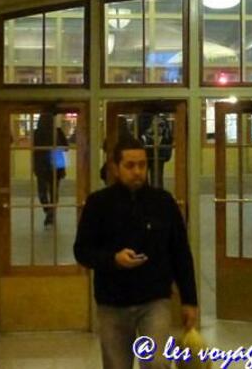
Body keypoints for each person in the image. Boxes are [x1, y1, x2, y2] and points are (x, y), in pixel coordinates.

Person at [74, 137, 198, 369]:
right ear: (115, 168)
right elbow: (82, 251)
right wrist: (113, 259)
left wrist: (189, 300)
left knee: (157, 362)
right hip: (112, 302)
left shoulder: (163, 202)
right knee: (116, 365)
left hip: (155, 299)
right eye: (130, 166)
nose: (137, 171)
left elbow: (181, 252)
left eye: (142, 165)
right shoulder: (98, 204)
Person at [32, 110, 67, 227]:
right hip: (55, 165)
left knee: (42, 192)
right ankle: (51, 212)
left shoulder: (37, 133)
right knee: (54, 191)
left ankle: (48, 211)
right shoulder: (57, 131)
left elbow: (33, 150)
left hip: (41, 166)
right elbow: (66, 146)